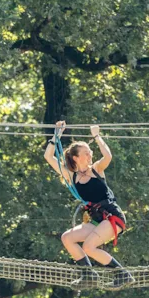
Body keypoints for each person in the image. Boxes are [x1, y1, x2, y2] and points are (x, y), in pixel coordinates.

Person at [44, 121, 135, 288]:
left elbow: (107, 156)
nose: (90, 155)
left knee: (89, 246)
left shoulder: (96, 169)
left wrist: (97, 136)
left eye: (90, 152)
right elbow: (49, 157)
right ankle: (88, 275)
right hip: (96, 219)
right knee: (67, 238)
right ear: (75, 157)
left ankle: (122, 274)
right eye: (86, 153)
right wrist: (56, 136)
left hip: (112, 216)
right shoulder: (71, 175)